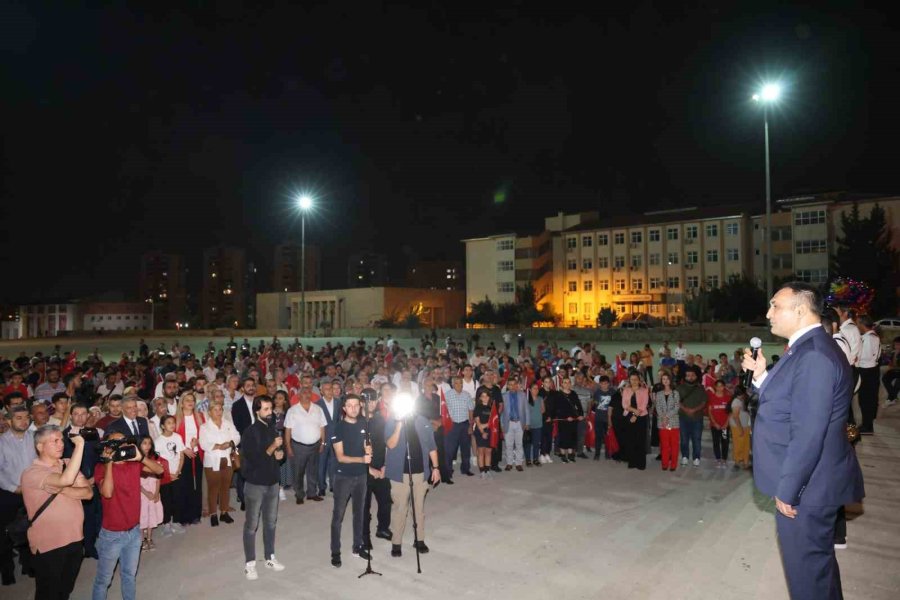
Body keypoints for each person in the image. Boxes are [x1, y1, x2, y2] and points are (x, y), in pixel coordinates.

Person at [741, 282, 864, 600]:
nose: (768, 314)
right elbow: (792, 401)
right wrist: (760, 376)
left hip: (809, 487)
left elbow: (809, 431)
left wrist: (790, 488)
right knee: (817, 569)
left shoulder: (813, 355)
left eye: (774, 306)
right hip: (815, 481)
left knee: (807, 576)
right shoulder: (808, 347)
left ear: (799, 309)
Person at [20, 424, 93, 599]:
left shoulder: (68, 463)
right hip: (49, 545)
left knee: (65, 589)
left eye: (61, 439)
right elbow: (67, 479)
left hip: (75, 539)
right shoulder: (32, 473)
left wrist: (62, 490)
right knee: (48, 593)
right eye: (55, 441)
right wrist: (80, 445)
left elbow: (88, 493)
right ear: (40, 446)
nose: (61, 444)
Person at [92, 430, 164, 600]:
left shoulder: (133, 464)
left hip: (134, 531)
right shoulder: (101, 468)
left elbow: (159, 470)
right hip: (112, 534)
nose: (120, 445)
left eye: (122, 441)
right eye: (114, 443)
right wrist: (108, 462)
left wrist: (141, 457)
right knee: (103, 580)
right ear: (107, 446)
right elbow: (107, 492)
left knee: (129, 575)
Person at [384, 398, 440, 557]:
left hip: (420, 472)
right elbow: (390, 444)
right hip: (399, 474)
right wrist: (399, 424)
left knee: (419, 508)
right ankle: (396, 542)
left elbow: (432, 446)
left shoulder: (423, 421)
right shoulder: (392, 421)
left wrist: (435, 468)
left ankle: (419, 539)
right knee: (400, 508)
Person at [240, 396, 287, 581]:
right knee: (252, 525)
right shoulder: (250, 432)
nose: (270, 413)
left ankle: (270, 557)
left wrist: (280, 454)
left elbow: (276, 458)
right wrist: (273, 447)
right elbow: (254, 459)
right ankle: (250, 564)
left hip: (273, 482)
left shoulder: (272, 429)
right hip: (255, 484)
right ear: (257, 411)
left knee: (271, 522)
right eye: (266, 409)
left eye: (270, 409)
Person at [328, 395, 372, 567]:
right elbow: (340, 457)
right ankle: (335, 551)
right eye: (350, 406)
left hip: (361, 476)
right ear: (344, 409)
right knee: (338, 516)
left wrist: (369, 450)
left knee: (359, 513)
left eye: (356, 405)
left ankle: (357, 546)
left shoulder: (363, 425)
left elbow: (367, 448)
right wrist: (363, 459)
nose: (353, 408)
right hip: (343, 476)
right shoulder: (338, 428)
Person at [0, 405, 37, 585]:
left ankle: (29, 567)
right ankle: (7, 573)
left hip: (33, 492)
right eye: (18, 418)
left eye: (26, 417)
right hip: (9, 494)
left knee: (31, 530)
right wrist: (14, 487)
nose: (24, 421)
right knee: (5, 534)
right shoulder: (2, 442)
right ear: (9, 421)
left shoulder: (34, 438)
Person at [62, 403, 104, 559]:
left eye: (83, 414)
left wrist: (96, 477)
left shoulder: (93, 433)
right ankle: (86, 547)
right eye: (76, 414)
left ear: (88, 416)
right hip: (76, 484)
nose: (80, 417)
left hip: (95, 480)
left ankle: (95, 544)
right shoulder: (63, 436)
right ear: (71, 416)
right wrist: (82, 481)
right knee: (83, 517)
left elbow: (99, 458)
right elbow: (64, 463)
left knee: (97, 513)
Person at [199, 402, 241, 526]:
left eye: (220, 409)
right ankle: (213, 514)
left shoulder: (228, 424)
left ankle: (224, 512)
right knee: (213, 488)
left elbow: (237, 436)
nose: (218, 412)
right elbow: (203, 444)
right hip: (212, 461)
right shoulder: (204, 427)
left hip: (227, 459)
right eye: (215, 409)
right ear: (209, 412)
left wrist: (230, 443)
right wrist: (218, 446)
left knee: (225, 487)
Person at [284, 385, 327, 504]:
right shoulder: (292, 410)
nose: (307, 395)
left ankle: (312, 493)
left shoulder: (318, 409)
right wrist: (288, 446)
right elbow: (287, 430)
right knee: (298, 471)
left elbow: (322, 426)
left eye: (309, 393)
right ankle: (299, 494)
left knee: (313, 470)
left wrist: (323, 442)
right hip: (298, 447)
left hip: (315, 445)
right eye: (304, 393)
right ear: (299, 395)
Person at [361, 388, 392, 549]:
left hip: (381, 467)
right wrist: (369, 469)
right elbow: (351, 450)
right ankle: (364, 537)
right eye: (368, 400)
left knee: (386, 501)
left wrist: (385, 465)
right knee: (364, 506)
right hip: (363, 471)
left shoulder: (381, 420)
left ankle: (383, 528)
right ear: (361, 403)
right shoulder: (356, 421)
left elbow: (386, 443)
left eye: (373, 400)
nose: (371, 404)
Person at [174, 393, 204, 525]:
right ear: (181, 402)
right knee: (183, 486)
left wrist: (198, 441)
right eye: (187, 400)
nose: (190, 402)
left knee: (196, 485)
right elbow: (172, 438)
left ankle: (195, 514)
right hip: (182, 456)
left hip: (197, 454)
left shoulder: (200, 416)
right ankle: (183, 516)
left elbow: (204, 434)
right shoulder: (176, 419)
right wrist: (184, 449)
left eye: (192, 400)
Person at [152, 415, 185, 537]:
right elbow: (158, 462)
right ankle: (166, 523)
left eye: (173, 423)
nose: (172, 425)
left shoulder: (177, 437)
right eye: (169, 423)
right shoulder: (158, 441)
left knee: (177, 498)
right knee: (166, 499)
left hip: (176, 473)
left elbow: (181, 456)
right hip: (165, 476)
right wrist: (168, 474)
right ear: (162, 426)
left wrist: (178, 471)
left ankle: (176, 521)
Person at [443, 376, 475, 478]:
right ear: (452, 384)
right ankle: (448, 471)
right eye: (456, 383)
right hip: (452, 425)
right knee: (449, 449)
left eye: (460, 383)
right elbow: (444, 411)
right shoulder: (447, 395)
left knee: (466, 448)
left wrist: (471, 425)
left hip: (465, 424)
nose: (459, 385)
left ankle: (465, 469)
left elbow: (471, 410)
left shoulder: (467, 395)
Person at [137, 436, 164, 551]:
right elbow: (134, 481)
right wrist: (145, 492)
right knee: (142, 515)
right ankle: (141, 540)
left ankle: (149, 538)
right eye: (144, 443)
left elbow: (158, 478)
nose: (147, 446)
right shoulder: (136, 461)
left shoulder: (154, 459)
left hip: (153, 490)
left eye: (149, 443)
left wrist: (157, 492)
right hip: (142, 493)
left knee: (152, 513)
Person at [316, 380, 343, 497]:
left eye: (331, 389)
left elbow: (339, 420)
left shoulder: (338, 402)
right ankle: (321, 487)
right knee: (321, 463)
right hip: (323, 437)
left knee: (334, 462)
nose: (330, 391)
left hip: (336, 437)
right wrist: (320, 440)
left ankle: (333, 484)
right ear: (321, 391)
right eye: (326, 389)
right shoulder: (317, 404)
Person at [856, 315, 882, 434]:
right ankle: (867, 424)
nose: (857, 326)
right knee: (868, 399)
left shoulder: (868, 338)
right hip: (872, 370)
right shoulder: (873, 336)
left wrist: (855, 358)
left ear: (862, 324)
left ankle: (867, 426)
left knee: (865, 399)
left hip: (867, 370)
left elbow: (865, 356)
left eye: (858, 323)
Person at [677, 367, 705, 467]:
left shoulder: (701, 388)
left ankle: (696, 458)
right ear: (685, 376)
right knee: (684, 439)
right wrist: (686, 410)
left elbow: (703, 402)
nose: (690, 377)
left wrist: (694, 410)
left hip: (697, 418)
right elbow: (677, 401)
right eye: (688, 375)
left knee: (696, 439)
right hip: (683, 418)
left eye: (692, 375)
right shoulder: (680, 388)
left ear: (696, 376)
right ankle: (685, 457)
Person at [621, 373, 649, 470]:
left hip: (641, 417)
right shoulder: (626, 390)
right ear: (629, 380)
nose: (634, 381)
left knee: (640, 439)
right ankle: (632, 462)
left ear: (639, 380)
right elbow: (624, 404)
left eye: (636, 379)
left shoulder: (644, 391)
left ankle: (641, 463)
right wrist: (634, 412)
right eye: (632, 379)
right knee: (630, 439)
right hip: (629, 415)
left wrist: (636, 415)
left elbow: (644, 405)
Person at [654, 372, 680, 471]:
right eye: (663, 379)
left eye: (667, 379)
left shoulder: (675, 393)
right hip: (663, 423)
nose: (665, 380)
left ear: (670, 380)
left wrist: (667, 416)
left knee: (674, 445)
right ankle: (664, 464)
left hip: (673, 423)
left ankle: (673, 465)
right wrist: (663, 417)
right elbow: (658, 407)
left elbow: (677, 407)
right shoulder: (659, 394)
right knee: (664, 445)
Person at [501, 378, 528, 471]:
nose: (512, 386)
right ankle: (509, 463)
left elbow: (526, 410)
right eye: (510, 384)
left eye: (514, 384)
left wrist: (527, 422)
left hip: (520, 422)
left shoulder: (523, 395)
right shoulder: (504, 396)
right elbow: (501, 412)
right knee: (508, 444)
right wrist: (502, 424)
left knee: (519, 444)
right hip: (508, 422)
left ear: (517, 385)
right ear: (507, 386)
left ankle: (518, 463)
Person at [591, 376, 618, 460]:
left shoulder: (613, 392)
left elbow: (615, 404)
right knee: (598, 436)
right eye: (602, 384)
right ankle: (597, 453)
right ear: (599, 384)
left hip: (608, 419)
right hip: (598, 418)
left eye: (605, 383)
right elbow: (594, 404)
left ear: (609, 384)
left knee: (608, 436)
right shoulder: (597, 392)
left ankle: (608, 453)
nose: (604, 385)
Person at [706, 380, 731, 468]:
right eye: (718, 386)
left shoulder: (728, 398)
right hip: (715, 426)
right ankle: (718, 459)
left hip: (725, 426)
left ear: (724, 387)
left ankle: (724, 460)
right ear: (715, 387)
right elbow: (710, 412)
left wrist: (726, 423)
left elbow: (730, 413)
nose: (720, 388)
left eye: (721, 386)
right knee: (716, 442)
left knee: (725, 442)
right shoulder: (711, 398)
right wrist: (714, 423)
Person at [472, 390, 494, 477]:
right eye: (483, 396)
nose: (485, 398)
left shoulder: (492, 408)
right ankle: (482, 471)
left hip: (490, 432)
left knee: (488, 451)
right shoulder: (478, 407)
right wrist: (483, 432)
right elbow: (478, 423)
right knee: (481, 452)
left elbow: (494, 421)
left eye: (486, 396)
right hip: (480, 432)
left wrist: (490, 426)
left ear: (489, 397)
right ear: (480, 398)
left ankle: (487, 470)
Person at [729, 388, 751, 470]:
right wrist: (740, 428)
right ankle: (737, 462)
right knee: (738, 444)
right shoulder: (736, 402)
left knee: (746, 444)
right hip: (738, 426)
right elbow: (735, 416)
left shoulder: (742, 400)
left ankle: (745, 462)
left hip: (745, 425)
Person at [525, 381, 544, 467]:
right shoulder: (526, 399)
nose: (536, 390)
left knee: (536, 443)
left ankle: (535, 459)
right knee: (528, 443)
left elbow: (543, 410)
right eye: (534, 388)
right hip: (528, 425)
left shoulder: (540, 399)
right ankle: (528, 460)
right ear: (530, 389)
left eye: (537, 389)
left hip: (538, 424)